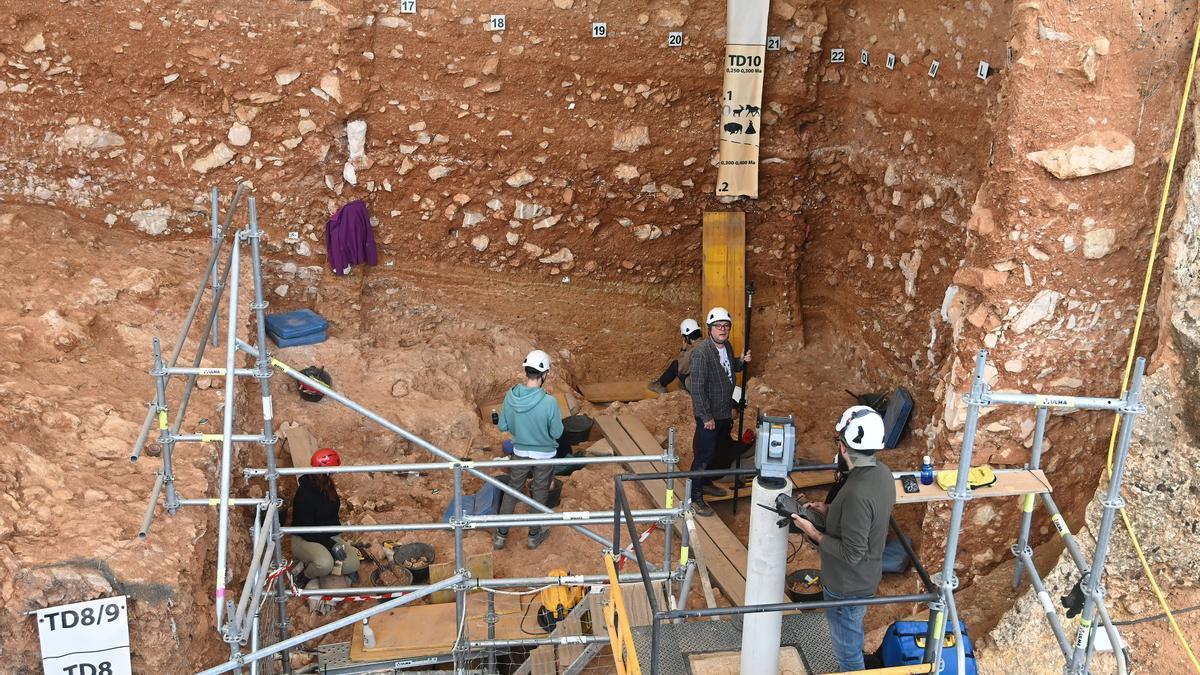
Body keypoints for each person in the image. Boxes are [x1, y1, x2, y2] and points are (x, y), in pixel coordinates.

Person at [791, 406, 896, 671]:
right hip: (864, 578)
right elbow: (868, 519)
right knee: (851, 637)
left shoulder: (858, 493)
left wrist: (812, 532)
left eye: (839, 441)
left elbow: (853, 552)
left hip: (847, 588)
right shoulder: (881, 473)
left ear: (845, 448)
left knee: (847, 654)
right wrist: (829, 511)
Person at [494, 349, 564, 551]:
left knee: (512, 490)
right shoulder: (549, 402)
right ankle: (534, 535)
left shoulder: (511, 395)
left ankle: (500, 535)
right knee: (540, 491)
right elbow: (557, 433)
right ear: (544, 374)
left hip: (520, 452)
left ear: (526, 371)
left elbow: (503, 427)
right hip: (544, 455)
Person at [686, 306, 751, 516]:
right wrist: (706, 417)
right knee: (704, 455)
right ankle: (694, 496)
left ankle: (705, 483)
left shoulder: (727, 346)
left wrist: (740, 362)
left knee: (716, 453)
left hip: (723, 413)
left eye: (726, 326)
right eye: (718, 326)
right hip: (709, 416)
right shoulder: (701, 353)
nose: (722, 330)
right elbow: (697, 388)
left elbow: (728, 368)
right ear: (709, 329)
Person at [291, 448, 360, 588]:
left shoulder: (327, 485)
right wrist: (331, 545)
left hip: (327, 535)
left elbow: (330, 514)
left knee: (353, 564)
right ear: (326, 470)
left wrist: (335, 538)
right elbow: (306, 528)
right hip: (304, 538)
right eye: (334, 469)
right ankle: (304, 575)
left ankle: (322, 565)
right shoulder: (305, 493)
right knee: (325, 564)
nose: (336, 472)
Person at [648, 318, 703, 394]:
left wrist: (683, 350)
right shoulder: (710, 344)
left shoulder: (693, 352)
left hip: (700, 388)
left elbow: (680, 368)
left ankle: (660, 385)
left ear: (686, 338)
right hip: (714, 385)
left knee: (675, 365)